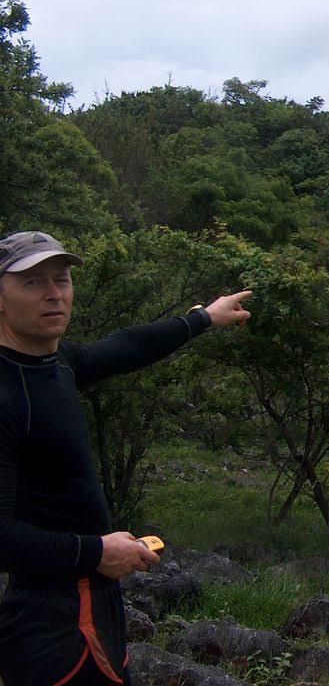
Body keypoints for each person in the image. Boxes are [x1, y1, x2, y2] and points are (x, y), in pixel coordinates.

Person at [0, 231, 252, 686]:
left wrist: (203, 318)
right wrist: (96, 550)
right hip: (50, 624)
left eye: (61, 279)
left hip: (94, 610)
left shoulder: (57, 363)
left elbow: (127, 346)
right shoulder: (4, 393)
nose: (54, 293)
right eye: (32, 282)